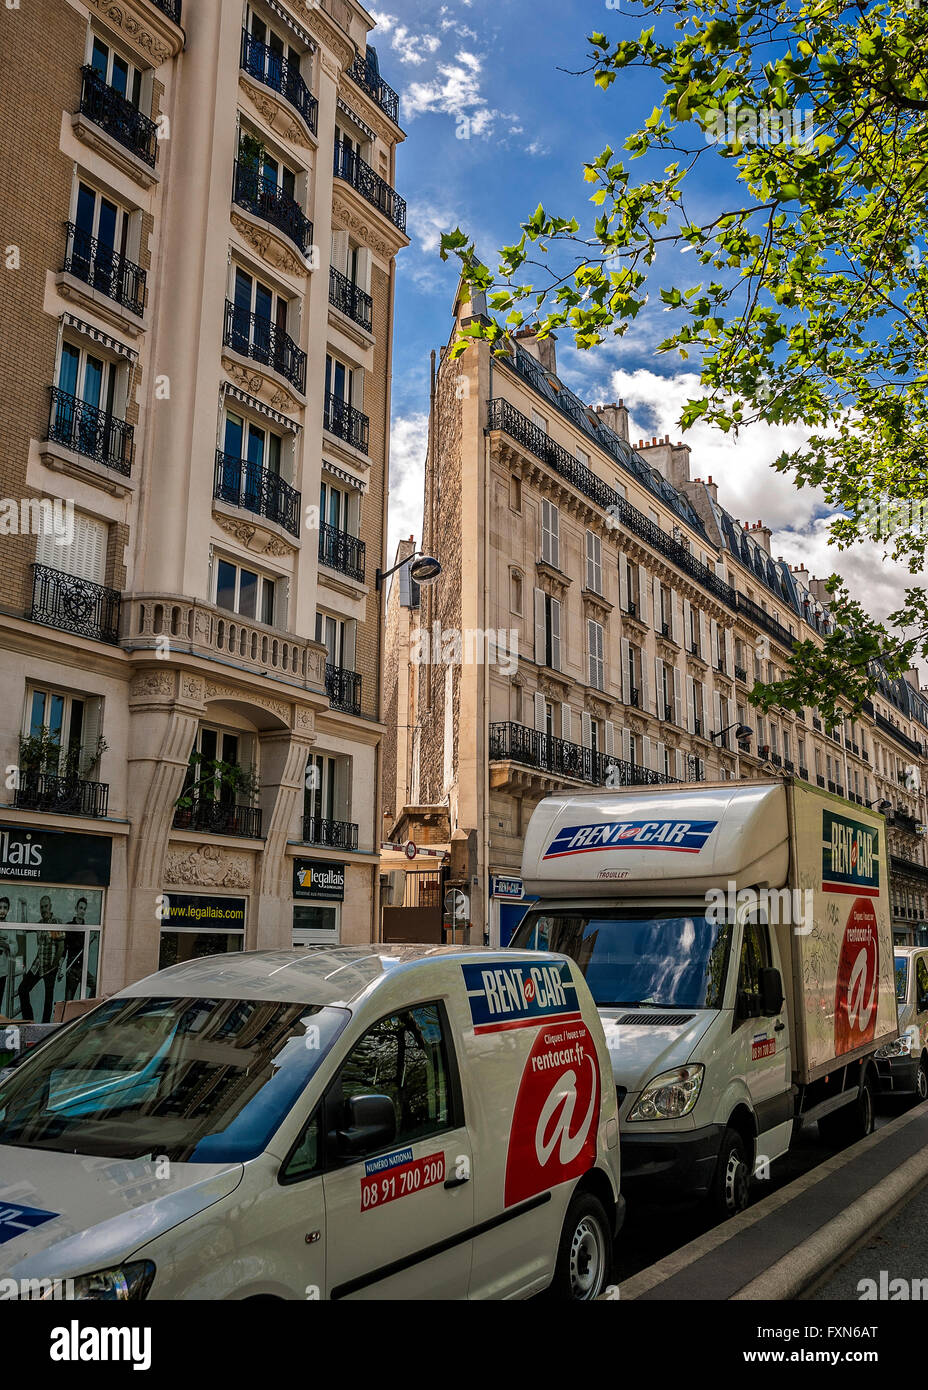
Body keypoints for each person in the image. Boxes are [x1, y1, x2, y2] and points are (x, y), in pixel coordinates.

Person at [63, 897, 88, 1002]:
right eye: (81, 908)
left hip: (82, 968)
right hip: (72, 969)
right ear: (76, 909)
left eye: (84, 909)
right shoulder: (69, 926)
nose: (82, 911)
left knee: (94, 984)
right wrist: (61, 968)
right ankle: (65, 1018)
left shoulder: (87, 928)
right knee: (69, 1001)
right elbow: (64, 949)